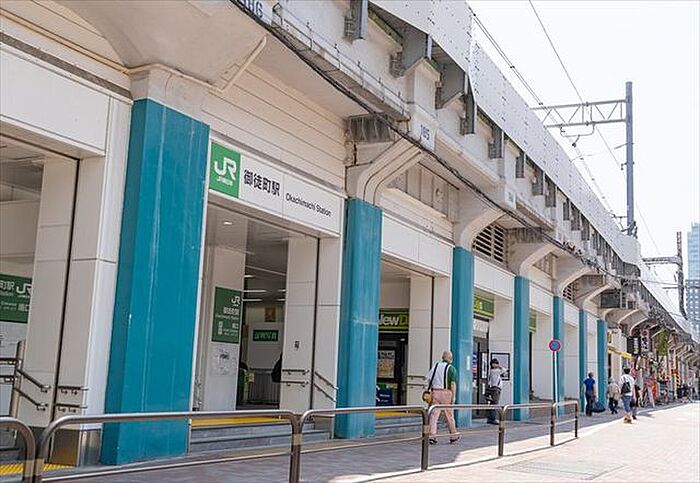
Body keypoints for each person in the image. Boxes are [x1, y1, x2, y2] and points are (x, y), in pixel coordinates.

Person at [425, 351, 460, 444]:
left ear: (442, 357)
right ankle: (453, 435)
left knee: (434, 415)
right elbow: (453, 384)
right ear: (450, 359)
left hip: (435, 392)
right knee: (449, 415)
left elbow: (427, 378)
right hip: (446, 393)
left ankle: (432, 436)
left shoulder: (435, 366)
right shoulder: (451, 368)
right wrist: (453, 396)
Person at [486, 358, 506, 425]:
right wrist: (499, 366)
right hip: (495, 389)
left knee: (493, 404)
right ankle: (493, 419)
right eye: (495, 363)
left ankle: (490, 418)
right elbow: (504, 370)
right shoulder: (494, 371)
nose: (496, 365)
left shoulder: (493, 371)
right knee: (495, 404)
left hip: (494, 388)